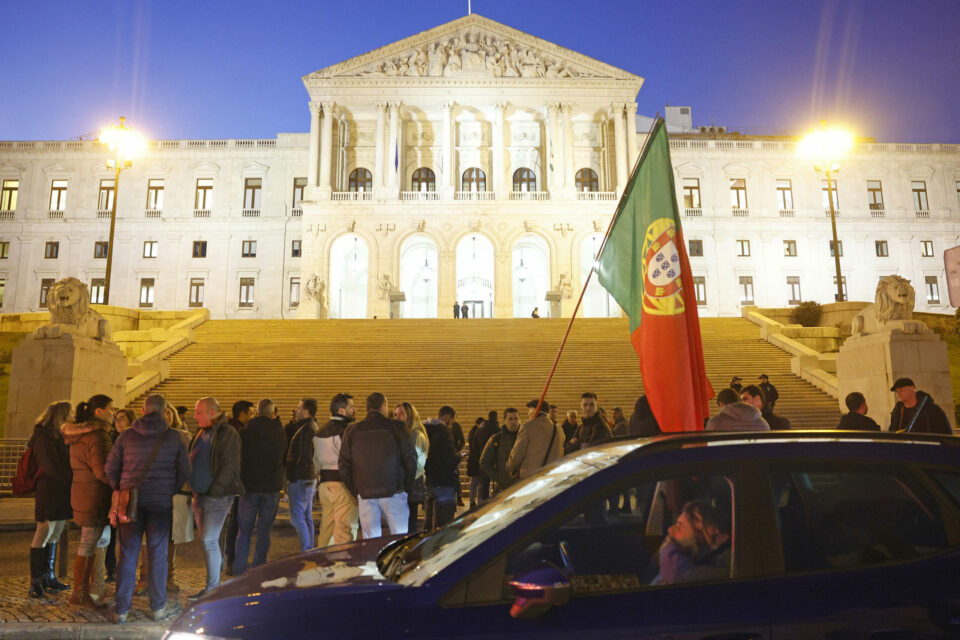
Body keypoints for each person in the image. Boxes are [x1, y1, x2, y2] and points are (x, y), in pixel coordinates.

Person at [105, 394, 189, 623]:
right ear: (164, 412)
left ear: (143, 411)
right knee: (158, 554)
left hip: (131, 501)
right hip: (160, 503)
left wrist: (121, 487)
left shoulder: (127, 436)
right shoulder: (173, 437)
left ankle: (121, 609)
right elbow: (184, 471)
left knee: (128, 554)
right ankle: (158, 607)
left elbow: (110, 467)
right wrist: (169, 489)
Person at [339, 392, 417, 538]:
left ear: (367, 408)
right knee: (399, 539)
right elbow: (410, 460)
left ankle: (372, 561)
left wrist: (356, 489)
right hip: (394, 491)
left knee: (370, 540)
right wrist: (406, 486)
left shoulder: (353, 430)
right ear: (383, 406)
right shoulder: (397, 428)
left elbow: (344, 465)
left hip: (366, 492)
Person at [188, 396, 242, 601]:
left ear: (212, 412)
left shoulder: (226, 433)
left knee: (210, 539)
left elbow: (230, 465)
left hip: (217, 496)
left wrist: (215, 489)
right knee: (209, 541)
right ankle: (214, 585)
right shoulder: (203, 431)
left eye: (198, 412)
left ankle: (213, 589)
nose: (195, 416)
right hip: (201, 495)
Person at [63, 394, 114, 610]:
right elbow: (102, 471)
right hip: (95, 495)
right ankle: (80, 593)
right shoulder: (98, 436)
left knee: (93, 541)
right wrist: (119, 482)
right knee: (88, 542)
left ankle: (85, 591)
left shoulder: (79, 435)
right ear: (99, 411)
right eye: (111, 409)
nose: (113, 413)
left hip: (82, 492)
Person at [234, 399, 287, 575]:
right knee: (264, 531)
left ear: (257, 412)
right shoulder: (279, 431)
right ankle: (259, 568)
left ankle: (239, 568)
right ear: (273, 413)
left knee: (244, 530)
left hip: (249, 486)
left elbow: (240, 456)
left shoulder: (246, 430)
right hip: (271, 487)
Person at [28, 401, 73, 600]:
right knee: (44, 531)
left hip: (62, 491)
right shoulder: (43, 436)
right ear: (61, 415)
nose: (73, 417)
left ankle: (50, 576)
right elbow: (50, 466)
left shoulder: (60, 434)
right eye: (70, 414)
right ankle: (36, 582)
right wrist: (71, 481)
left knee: (55, 532)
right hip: (49, 490)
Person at [316, 393, 360, 546]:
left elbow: (315, 461)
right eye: (351, 407)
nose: (354, 410)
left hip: (324, 485)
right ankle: (343, 565)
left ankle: (322, 562)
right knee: (345, 531)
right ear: (341, 410)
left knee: (327, 529)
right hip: (342, 486)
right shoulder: (347, 431)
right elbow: (351, 459)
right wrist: (355, 488)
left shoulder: (320, 431)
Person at [656, 500, 731, 585]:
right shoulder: (697, 558)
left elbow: (679, 573)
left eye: (680, 525)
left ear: (709, 530)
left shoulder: (725, 563)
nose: (670, 530)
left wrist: (668, 547)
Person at [162, 404, 194, 593]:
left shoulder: (183, 436)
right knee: (149, 538)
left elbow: (189, 464)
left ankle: (168, 576)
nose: (166, 417)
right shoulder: (146, 436)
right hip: (154, 491)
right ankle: (146, 577)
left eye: (169, 413)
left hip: (176, 492)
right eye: (162, 413)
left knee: (172, 536)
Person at [104, 409, 136, 586]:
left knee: (128, 533)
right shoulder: (111, 440)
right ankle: (111, 569)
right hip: (114, 491)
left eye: (123, 418)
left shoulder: (135, 439)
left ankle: (126, 569)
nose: (118, 422)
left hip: (129, 490)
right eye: (116, 419)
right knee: (111, 532)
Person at [223, 400, 254, 575]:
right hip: (234, 483)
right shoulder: (239, 432)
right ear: (242, 414)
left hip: (229, 482)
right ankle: (231, 560)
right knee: (235, 522)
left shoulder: (228, 429)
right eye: (250, 413)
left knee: (232, 522)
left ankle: (229, 560)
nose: (252, 417)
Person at [286, 398, 320, 552]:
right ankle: (309, 549)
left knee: (297, 517)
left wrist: (293, 476)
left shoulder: (307, 429)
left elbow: (305, 457)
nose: (296, 410)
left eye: (299, 407)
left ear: (306, 411)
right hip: (308, 478)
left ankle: (306, 550)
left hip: (302, 478)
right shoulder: (311, 427)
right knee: (306, 517)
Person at [506, 399, 564, 480]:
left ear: (534, 410)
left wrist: (510, 468)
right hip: (552, 479)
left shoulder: (527, 427)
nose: (528, 413)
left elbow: (517, 453)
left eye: (529, 410)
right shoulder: (559, 430)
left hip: (532, 480)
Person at [423, 406, 461, 528]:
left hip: (428, 479)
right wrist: (459, 457)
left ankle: (425, 543)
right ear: (447, 417)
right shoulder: (443, 432)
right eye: (453, 421)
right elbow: (449, 458)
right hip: (443, 480)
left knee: (429, 517)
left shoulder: (424, 429)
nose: (452, 424)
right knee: (445, 522)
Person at [393, 401, 427, 535]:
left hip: (411, 484)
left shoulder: (415, 435)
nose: (397, 418)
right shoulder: (402, 434)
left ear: (410, 416)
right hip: (403, 484)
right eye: (395, 414)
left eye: (401, 414)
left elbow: (418, 464)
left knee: (409, 523)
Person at [479, 407, 521, 495]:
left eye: (516, 419)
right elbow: (484, 462)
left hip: (523, 485)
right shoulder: (496, 439)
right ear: (504, 421)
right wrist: (499, 477)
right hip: (505, 486)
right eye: (510, 419)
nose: (513, 422)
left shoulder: (525, 438)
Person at [466, 411, 498, 509]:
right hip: (493, 460)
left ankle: (481, 501)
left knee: (481, 482)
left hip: (479, 459)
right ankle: (487, 501)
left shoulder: (480, 430)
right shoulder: (497, 429)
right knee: (491, 482)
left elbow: (474, 446)